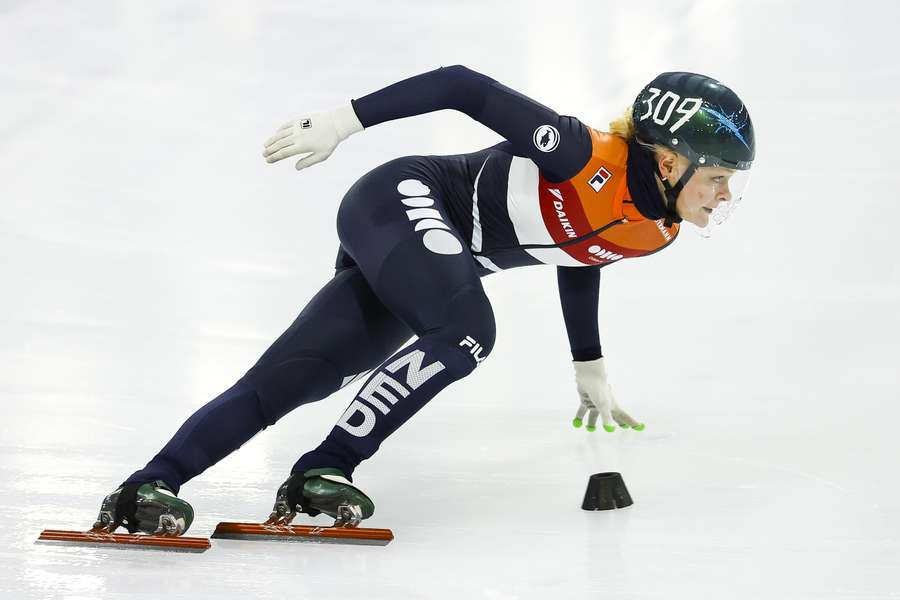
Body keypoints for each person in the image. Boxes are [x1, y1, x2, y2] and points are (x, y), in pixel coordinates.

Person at [91, 66, 755, 535]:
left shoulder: (657, 231)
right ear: (669, 161)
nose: (724, 196)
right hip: (400, 201)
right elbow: (462, 85)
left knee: (302, 375)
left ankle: (148, 486)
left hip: (428, 261)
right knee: (468, 330)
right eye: (719, 177)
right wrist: (342, 120)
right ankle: (326, 467)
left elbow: (583, 251)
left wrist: (589, 362)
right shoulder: (582, 154)